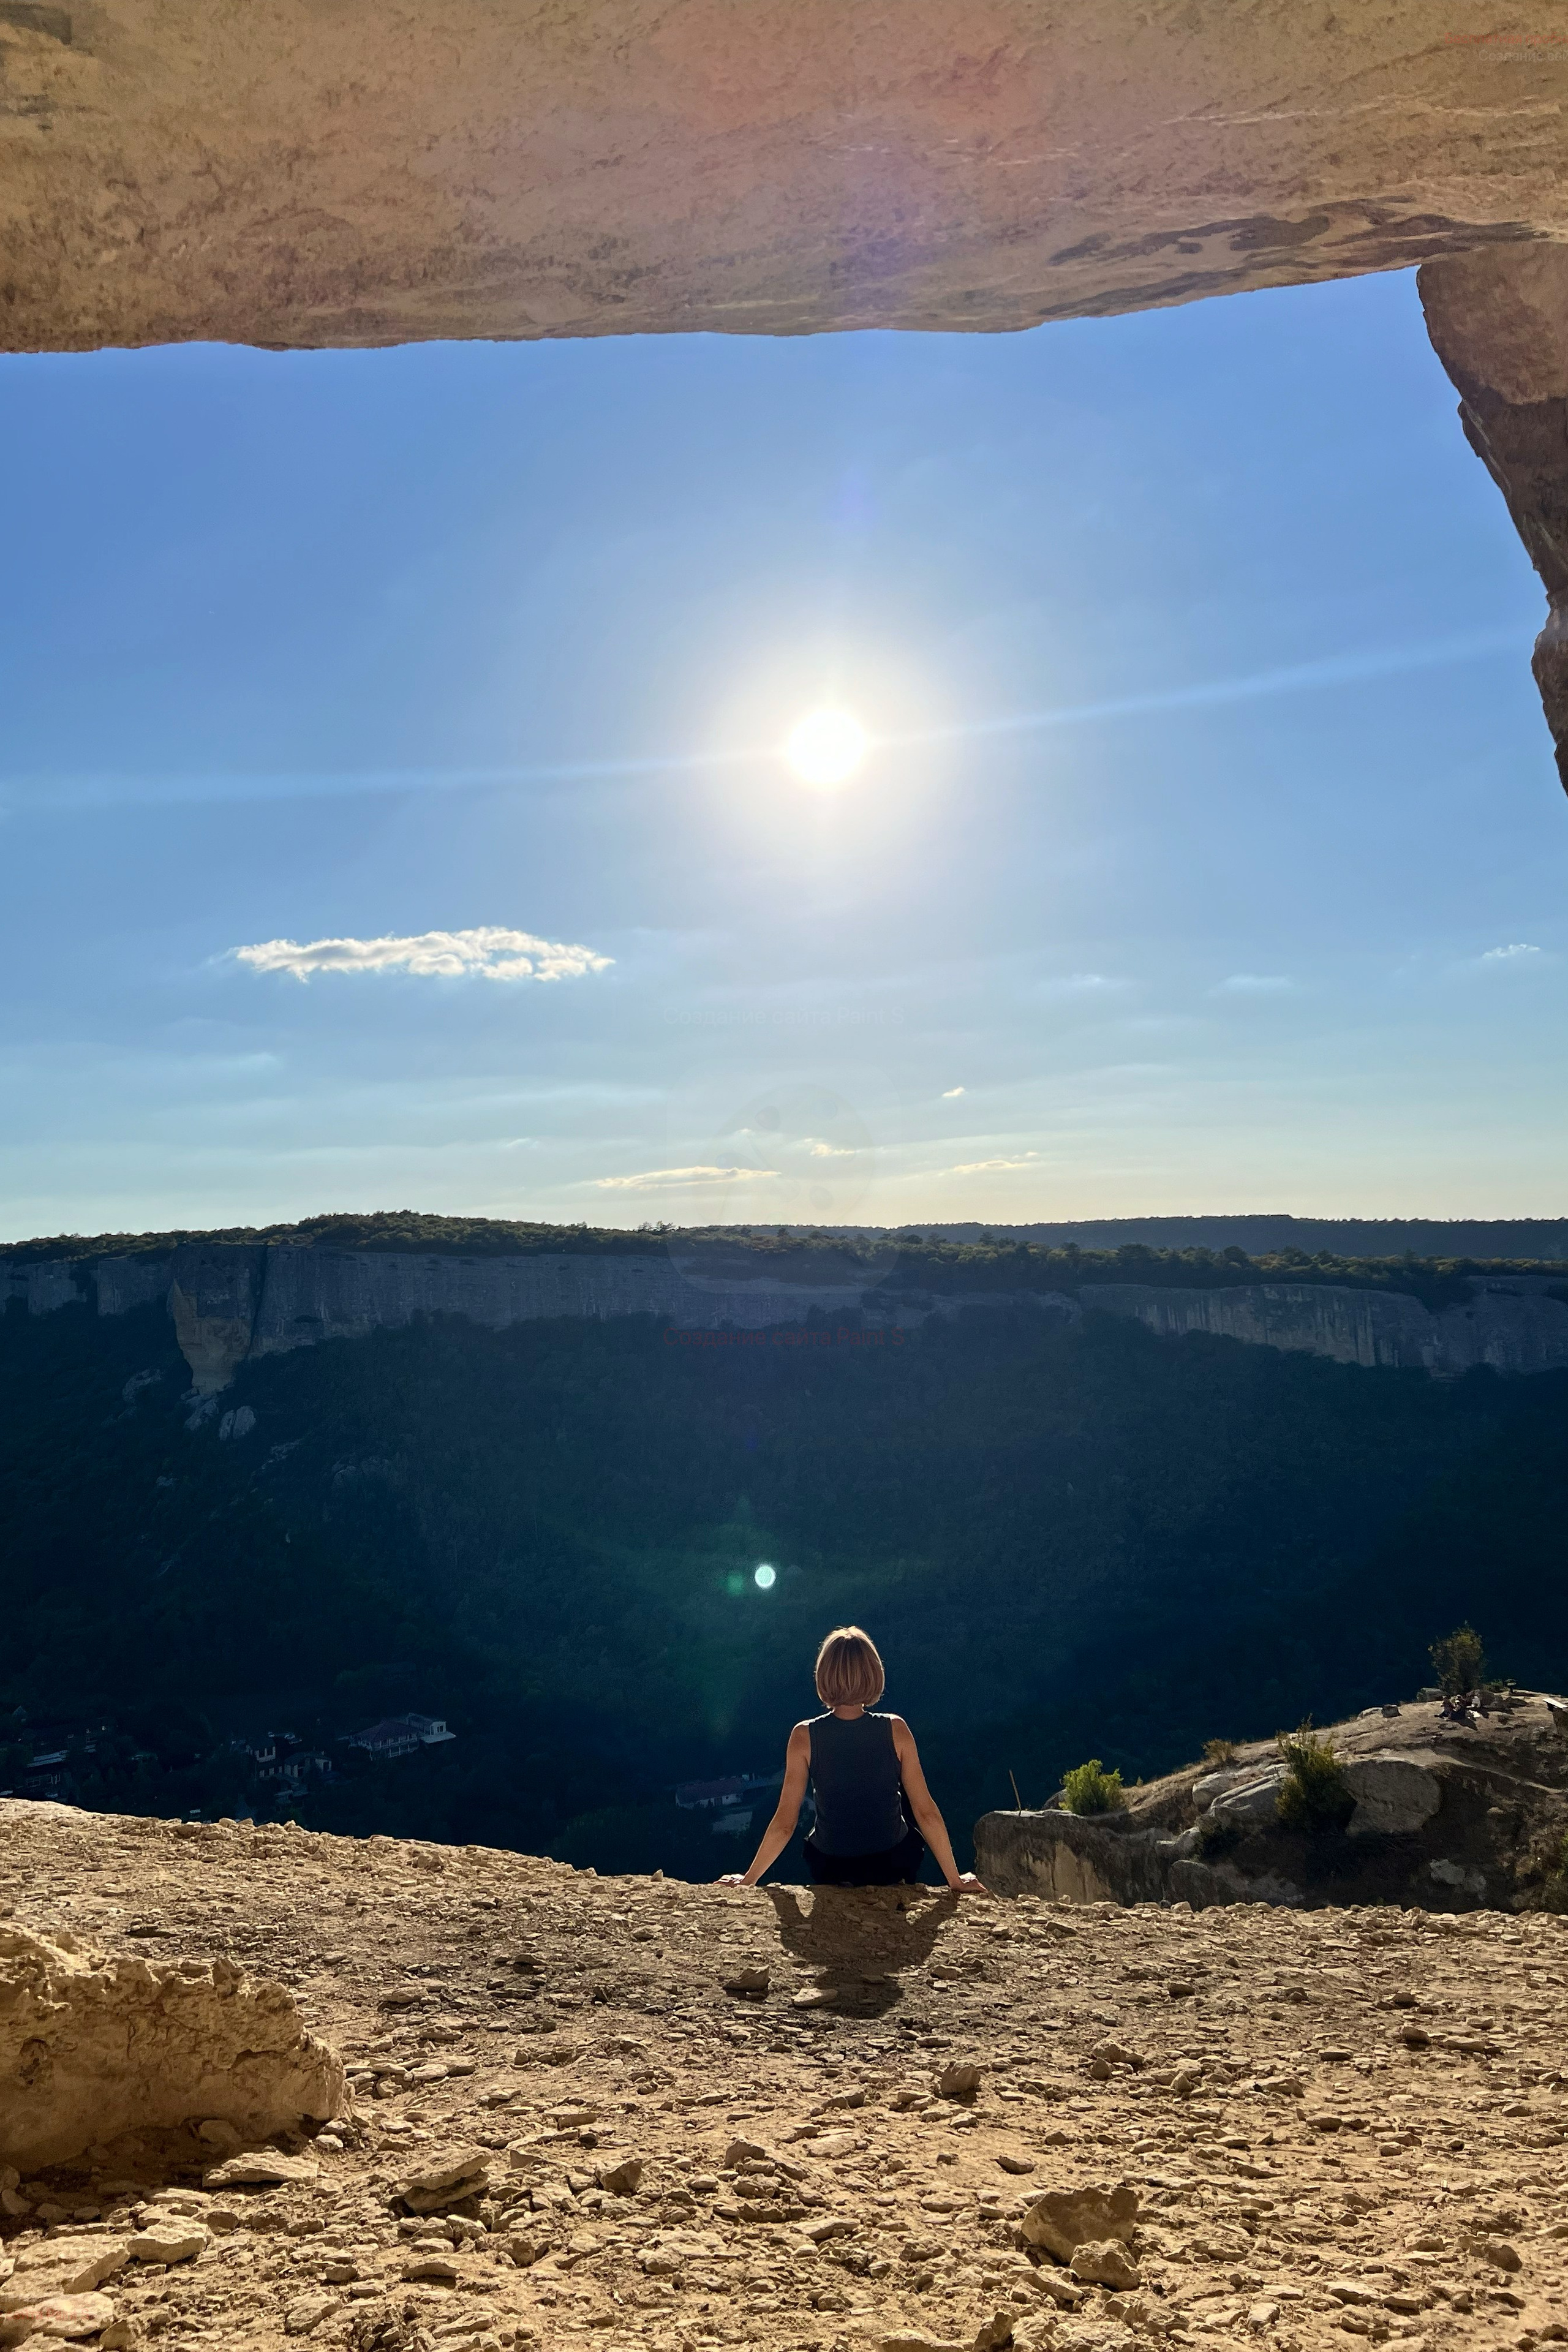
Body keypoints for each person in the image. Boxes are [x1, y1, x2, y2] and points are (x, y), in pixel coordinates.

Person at [717, 1625, 986, 1891]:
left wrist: (748, 1880)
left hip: (832, 1865)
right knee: (904, 1815)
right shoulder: (896, 1729)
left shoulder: (803, 1736)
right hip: (892, 1861)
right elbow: (926, 1812)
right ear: (873, 1673)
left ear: (823, 1676)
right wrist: (955, 1880)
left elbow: (785, 1825)